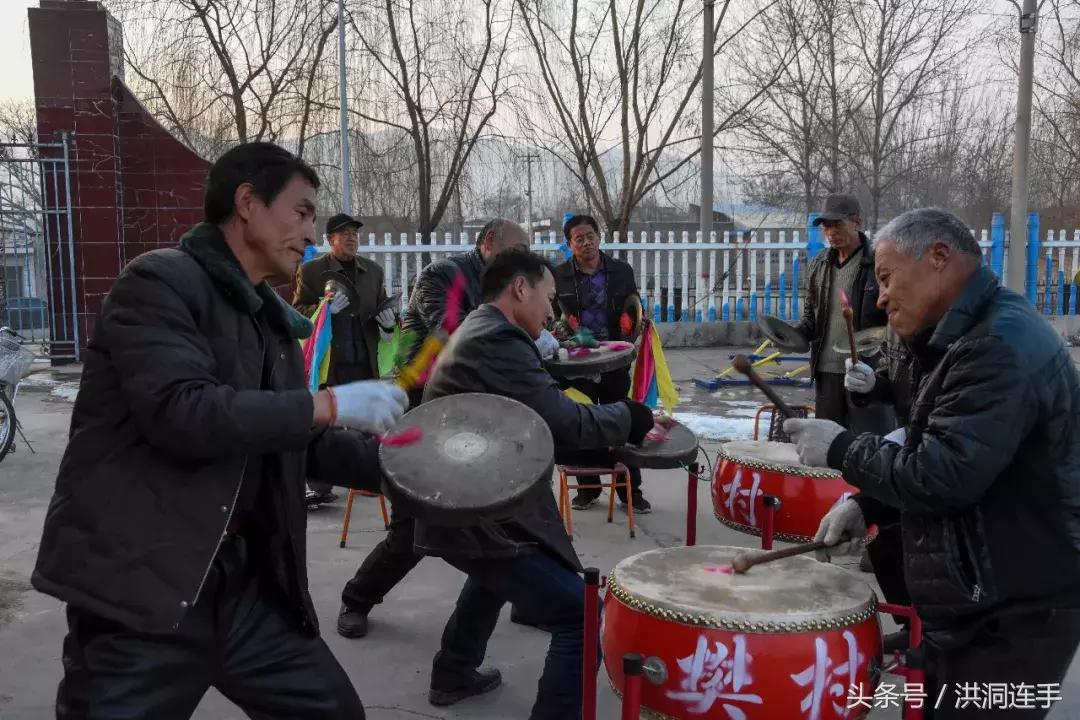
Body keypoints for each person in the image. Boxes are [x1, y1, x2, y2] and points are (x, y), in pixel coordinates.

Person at [31, 142, 410, 720]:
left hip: (249, 594)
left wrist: (413, 470)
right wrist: (328, 402)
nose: (311, 234)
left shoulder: (268, 318)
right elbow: (185, 414)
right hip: (144, 594)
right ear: (248, 203)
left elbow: (293, 438)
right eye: (302, 212)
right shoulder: (158, 283)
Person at [785, 207, 1080, 719]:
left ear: (939, 257)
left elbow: (945, 475)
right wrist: (870, 503)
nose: (879, 297)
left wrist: (840, 449)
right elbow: (932, 439)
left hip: (1018, 605)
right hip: (975, 593)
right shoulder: (953, 334)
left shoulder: (996, 346)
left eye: (885, 278)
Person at [418, 246, 655, 719]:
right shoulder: (496, 341)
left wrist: (608, 432)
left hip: (470, 496)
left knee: (494, 575)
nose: (552, 311)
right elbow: (560, 421)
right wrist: (630, 416)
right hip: (472, 504)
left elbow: (536, 419)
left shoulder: (486, 329)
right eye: (548, 297)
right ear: (520, 288)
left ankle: (454, 672)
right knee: (581, 614)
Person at [336, 218, 531, 639]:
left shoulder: (507, 283)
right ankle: (357, 598)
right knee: (414, 526)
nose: (522, 260)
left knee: (510, 513)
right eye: (516, 249)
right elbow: (457, 334)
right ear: (489, 243)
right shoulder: (443, 277)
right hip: (424, 412)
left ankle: (528, 598)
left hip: (476, 412)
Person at [293, 212, 397, 506]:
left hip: (364, 356)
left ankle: (366, 479)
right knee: (325, 419)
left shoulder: (373, 272)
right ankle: (318, 484)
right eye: (344, 233)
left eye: (355, 233)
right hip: (330, 359)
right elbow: (298, 309)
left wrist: (389, 323)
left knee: (365, 419)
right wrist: (324, 309)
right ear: (330, 240)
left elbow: (383, 308)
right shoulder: (313, 271)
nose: (351, 238)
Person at [553, 214, 651, 513]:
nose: (587, 243)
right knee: (581, 421)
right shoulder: (559, 277)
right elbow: (552, 315)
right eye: (579, 239)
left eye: (590, 236)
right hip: (576, 359)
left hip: (614, 358)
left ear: (599, 236)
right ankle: (588, 489)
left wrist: (635, 320)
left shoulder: (621, 271)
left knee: (621, 421)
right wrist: (558, 330)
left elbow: (632, 304)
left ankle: (630, 492)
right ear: (570, 245)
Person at [795, 193, 888, 430]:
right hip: (827, 372)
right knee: (829, 446)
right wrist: (792, 335)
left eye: (838, 225)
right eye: (826, 226)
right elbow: (810, 316)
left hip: (865, 372)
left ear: (857, 223)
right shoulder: (819, 264)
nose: (831, 232)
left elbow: (893, 318)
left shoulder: (877, 263)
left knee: (866, 442)